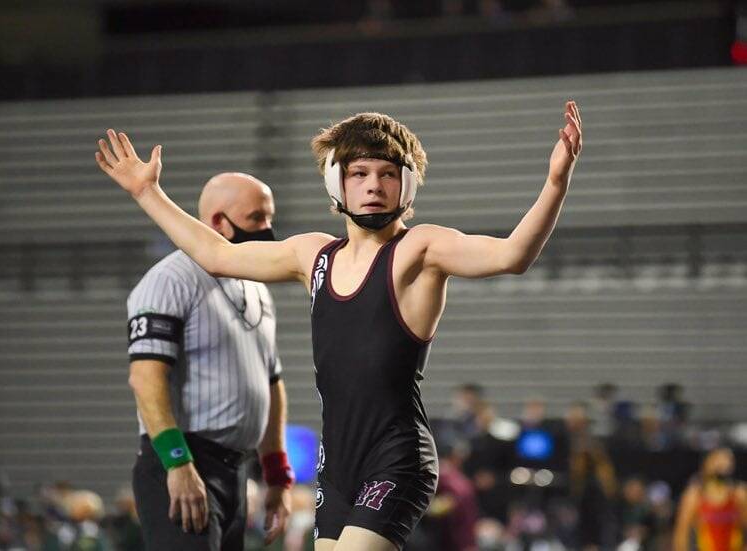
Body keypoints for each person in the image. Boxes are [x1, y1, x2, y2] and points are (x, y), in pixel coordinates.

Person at [96, 100, 582, 550]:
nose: (373, 185)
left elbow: (512, 254)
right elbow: (217, 255)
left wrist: (556, 183)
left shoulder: (420, 249)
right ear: (337, 185)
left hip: (397, 458)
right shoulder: (315, 255)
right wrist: (147, 192)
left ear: (406, 186)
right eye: (359, 173)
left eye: (388, 173)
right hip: (337, 467)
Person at [124, 172, 293, 551]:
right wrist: (177, 463)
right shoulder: (171, 280)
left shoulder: (255, 286)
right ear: (218, 221)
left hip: (234, 469)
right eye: (256, 218)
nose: (267, 229)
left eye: (269, 217)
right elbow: (146, 379)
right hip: (185, 459)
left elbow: (270, 383)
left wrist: (277, 475)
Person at [673, 447, 747, 551]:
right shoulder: (695, 495)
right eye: (718, 459)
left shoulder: (739, 493)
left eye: (728, 459)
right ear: (706, 463)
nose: (724, 463)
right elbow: (681, 533)